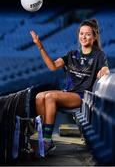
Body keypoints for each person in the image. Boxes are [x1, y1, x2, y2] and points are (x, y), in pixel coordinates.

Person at [30, 19, 110, 156]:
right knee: (39, 96)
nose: (84, 37)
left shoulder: (99, 55)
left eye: (88, 34)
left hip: (81, 96)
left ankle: (47, 141)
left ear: (95, 36)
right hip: (67, 93)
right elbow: (52, 66)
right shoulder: (72, 54)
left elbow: (105, 68)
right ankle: (43, 135)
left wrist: (104, 70)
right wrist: (40, 47)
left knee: (49, 97)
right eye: (81, 33)